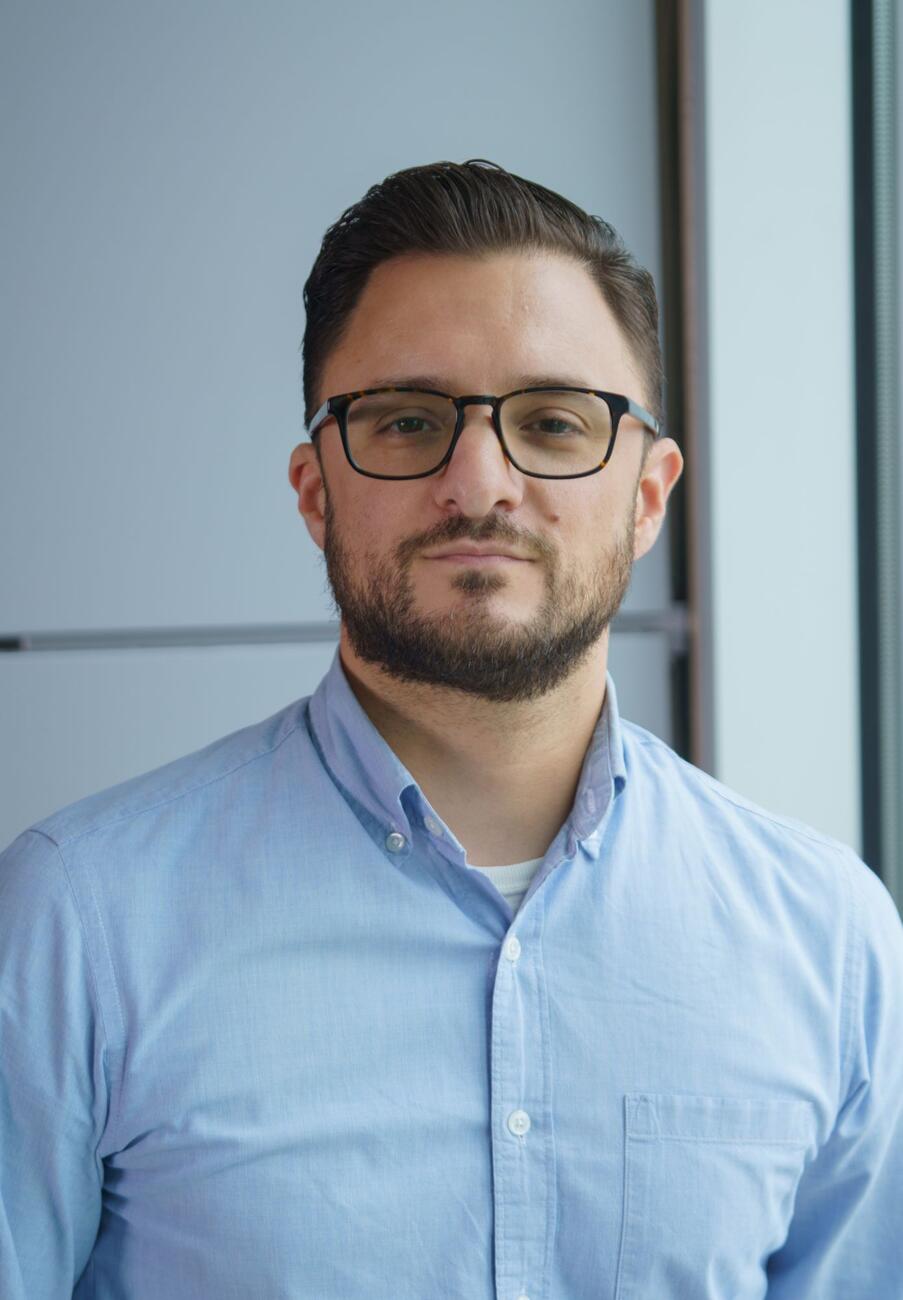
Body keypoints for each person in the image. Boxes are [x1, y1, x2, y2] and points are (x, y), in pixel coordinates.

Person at [1, 159, 901, 1300]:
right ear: (315, 489)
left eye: (556, 421)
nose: (478, 482)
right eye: (409, 420)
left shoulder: (831, 944)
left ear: (649, 494)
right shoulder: (76, 926)